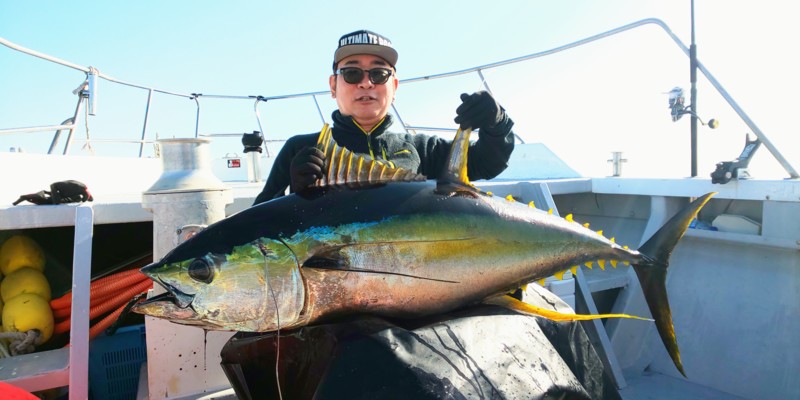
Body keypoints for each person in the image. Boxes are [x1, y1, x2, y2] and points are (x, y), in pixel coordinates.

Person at [253, 29, 516, 205]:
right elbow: (256, 226)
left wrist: (497, 122)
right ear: (333, 86)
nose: (366, 83)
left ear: (395, 87)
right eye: (352, 74)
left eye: (379, 74)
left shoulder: (423, 149)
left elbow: (487, 163)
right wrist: (293, 198)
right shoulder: (301, 149)